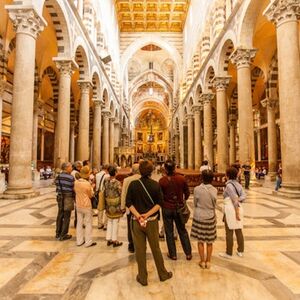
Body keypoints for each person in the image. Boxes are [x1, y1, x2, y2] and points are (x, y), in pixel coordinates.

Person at [126, 160, 172, 286]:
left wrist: (138, 215)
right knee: (156, 248)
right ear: (152, 171)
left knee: (140, 250)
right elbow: (159, 204)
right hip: (151, 222)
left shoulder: (133, 184)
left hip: (137, 222)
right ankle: (163, 274)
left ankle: (142, 277)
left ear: (140, 171)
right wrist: (147, 215)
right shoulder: (155, 185)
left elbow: (128, 203)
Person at [159, 159, 192, 261]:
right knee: (182, 230)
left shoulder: (162, 181)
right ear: (174, 168)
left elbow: (160, 196)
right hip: (178, 208)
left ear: (164, 169)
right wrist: (182, 201)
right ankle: (188, 253)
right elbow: (187, 193)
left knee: (169, 232)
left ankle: (173, 254)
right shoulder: (181, 179)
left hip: (167, 209)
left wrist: (164, 203)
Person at [191, 170, 217, 269]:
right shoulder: (214, 190)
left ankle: (202, 261)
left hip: (199, 216)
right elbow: (214, 203)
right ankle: (208, 261)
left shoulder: (197, 189)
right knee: (210, 241)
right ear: (212, 179)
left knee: (200, 240)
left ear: (202, 178)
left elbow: (195, 203)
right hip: (210, 215)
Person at [219, 167, 246, 259]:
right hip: (238, 207)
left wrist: (237, 213)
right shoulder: (238, 184)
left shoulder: (229, 186)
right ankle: (240, 251)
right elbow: (243, 196)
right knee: (238, 230)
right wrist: (239, 200)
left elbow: (234, 200)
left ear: (228, 175)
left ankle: (229, 252)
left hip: (232, 209)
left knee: (229, 232)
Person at [74, 166, 97, 248]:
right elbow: (90, 195)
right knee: (88, 223)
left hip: (78, 205)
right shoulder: (87, 184)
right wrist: (92, 188)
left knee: (79, 223)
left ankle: (79, 241)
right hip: (86, 205)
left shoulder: (76, 182)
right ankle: (88, 242)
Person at [121, 163, 141, 253]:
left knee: (130, 226)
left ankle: (131, 245)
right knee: (141, 225)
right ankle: (140, 244)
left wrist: (122, 207)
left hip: (130, 208)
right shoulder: (143, 178)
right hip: (141, 208)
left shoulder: (126, 180)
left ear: (132, 170)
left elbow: (123, 194)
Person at [103, 165, 124, 247]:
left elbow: (105, 191)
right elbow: (120, 193)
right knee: (115, 222)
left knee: (110, 221)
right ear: (115, 173)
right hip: (115, 204)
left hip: (108, 203)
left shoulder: (106, 181)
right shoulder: (117, 183)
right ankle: (114, 240)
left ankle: (109, 239)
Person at [55, 162, 75, 241]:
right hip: (68, 197)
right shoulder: (70, 177)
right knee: (67, 216)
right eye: (70, 167)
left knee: (60, 215)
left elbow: (56, 185)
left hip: (60, 197)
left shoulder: (58, 177)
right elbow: (73, 188)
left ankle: (57, 233)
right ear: (66, 168)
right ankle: (63, 234)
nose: (71, 168)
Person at [95, 164, 109, 230]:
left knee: (100, 209)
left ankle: (99, 224)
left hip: (100, 192)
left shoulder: (97, 175)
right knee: (106, 208)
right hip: (106, 193)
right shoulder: (107, 175)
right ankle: (105, 224)